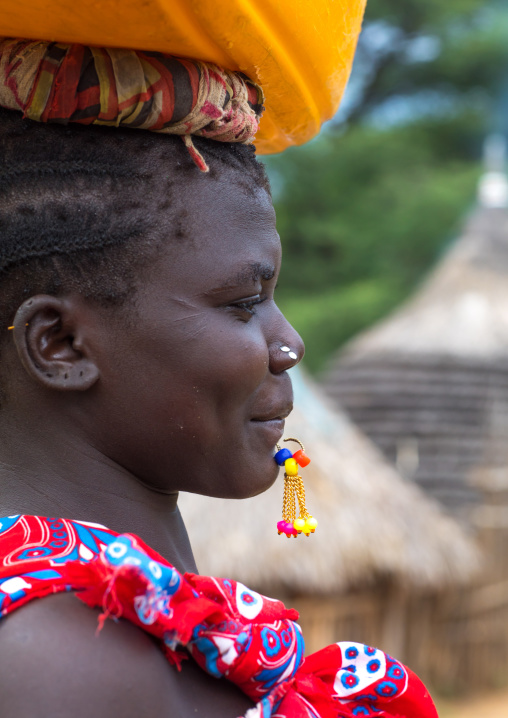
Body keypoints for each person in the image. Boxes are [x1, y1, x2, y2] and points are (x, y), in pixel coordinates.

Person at [0, 41, 437, 718]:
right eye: (243, 303)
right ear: (60, 344)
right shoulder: (61, 671)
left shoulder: (134, 642)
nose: (289, 342)